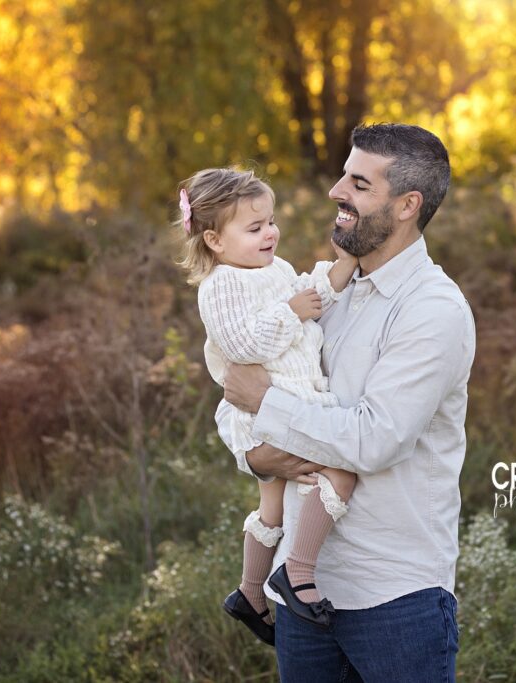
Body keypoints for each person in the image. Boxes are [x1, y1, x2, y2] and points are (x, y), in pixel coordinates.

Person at [217, 123, 476, 682]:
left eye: (359, 183)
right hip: (299, 593)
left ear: (408, 205)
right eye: (343, 175)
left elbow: (373, 439)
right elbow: (236, 395)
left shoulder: (432, 310)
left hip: (394, 596)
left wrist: (266, 405)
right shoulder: (321, 293)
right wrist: (255, 457)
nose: (336, 191)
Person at [176, 168, 359, 647]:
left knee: (273, 506)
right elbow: (241, 345)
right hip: (266, 410)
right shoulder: (219, 286)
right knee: (341, 469)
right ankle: (296, 574)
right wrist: (291, 311)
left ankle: (250, 592)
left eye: (271, 222)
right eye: (254, 228)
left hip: (288, 401)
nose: (270, 233)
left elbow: (312, 295)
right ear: (215, 240)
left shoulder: (275, 270)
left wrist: (342, 265)